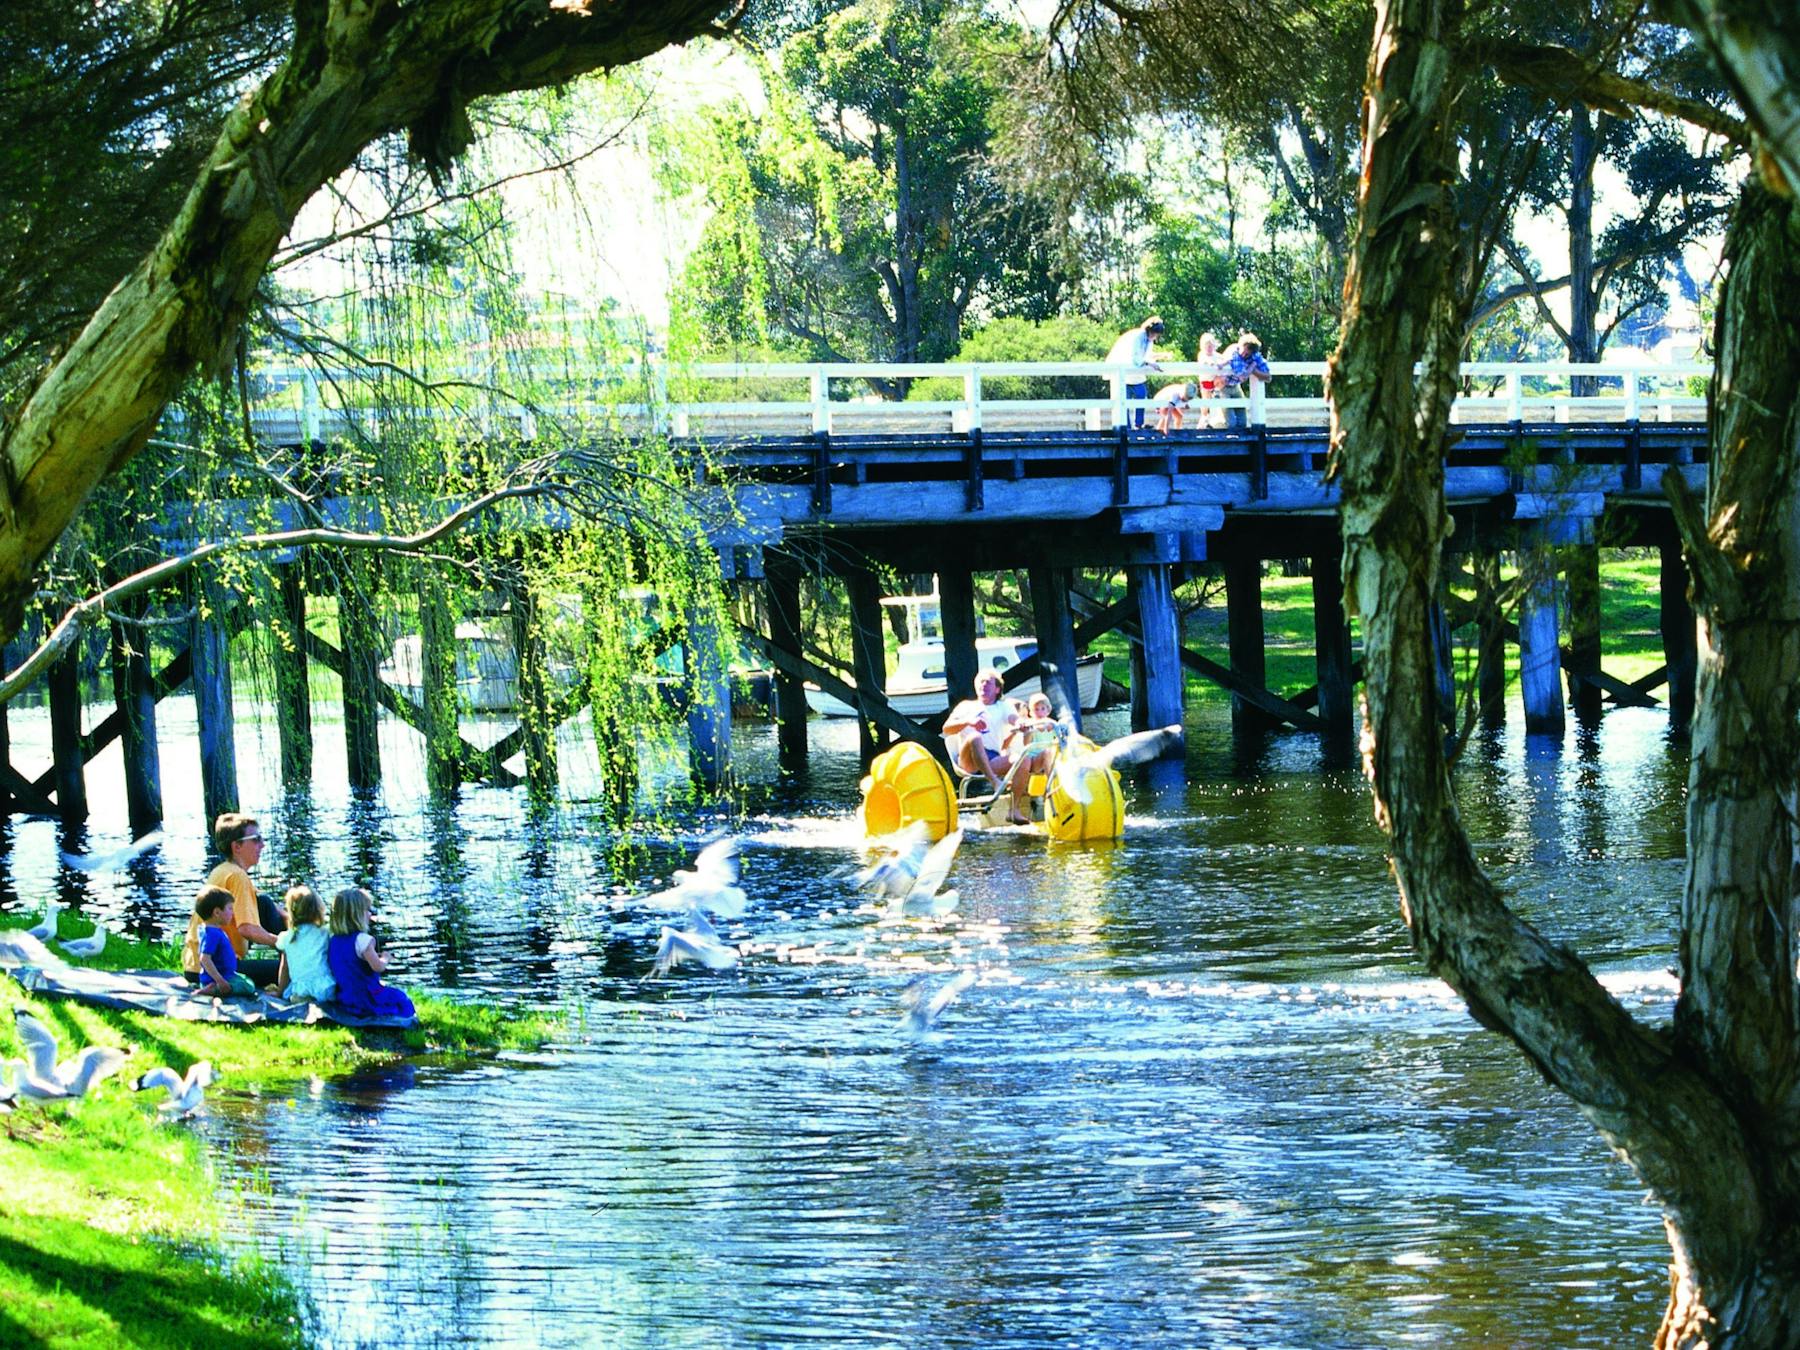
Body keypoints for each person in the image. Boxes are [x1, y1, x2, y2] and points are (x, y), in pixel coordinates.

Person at [180, 813, 286, 988]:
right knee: (288, 971)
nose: (262, 844)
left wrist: (295, 920)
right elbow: (247, 929)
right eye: (256, 839)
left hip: (194, 966)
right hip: (214, 969)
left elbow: (265, 905)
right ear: (237, 846)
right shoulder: (237, 876)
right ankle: (294, 964)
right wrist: (285, 942)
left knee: (264, 903)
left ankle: (291, 959)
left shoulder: (224, 870)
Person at [943, 671, 1025, 818]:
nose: (983, 685)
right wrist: (968, 721)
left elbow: (1014, 718)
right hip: (969, 760)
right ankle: (995, 782)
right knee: (975, 737)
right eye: (981, 682)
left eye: (988, 682)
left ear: (997, 689)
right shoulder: (966, 706)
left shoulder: (1003, 706)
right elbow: (946, 729)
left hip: (992, 758)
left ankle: (1014, 810)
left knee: (1023, 760)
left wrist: (1020, 723)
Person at [327, 887, 415, 1020]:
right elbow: (378, 967)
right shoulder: (363, 940)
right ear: (356, 915)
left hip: (345, 998)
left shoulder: (333, 940)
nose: (370, 914)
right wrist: (385, 958)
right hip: (367, 998)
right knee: (401, 998)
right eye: (367, 910)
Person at [1001, 692, 1064, 824]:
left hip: (1048, 759)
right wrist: (1030, 731)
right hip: (1033, 761)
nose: (1039, 712)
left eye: (1042, 709)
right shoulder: (1030, 724)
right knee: (1045, 753)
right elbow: (1026, 744)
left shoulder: (1052, 723)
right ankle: (1051, 789)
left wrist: (1053, 728)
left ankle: (1060, 788)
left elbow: (1060, 736)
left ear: (1048, 710)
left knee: (1054, 753)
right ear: (1031, 712)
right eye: (1036, 709)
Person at [275, 885, 336, 1005]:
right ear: (318, 909)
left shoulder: (287, 937)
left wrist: (279, 991)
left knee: (296, 989)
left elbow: (285, 968)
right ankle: (317, 998)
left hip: (299, 989)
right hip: (325, 987)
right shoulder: (324, 933)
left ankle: (304, 997)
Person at [193, 887, 257, 998]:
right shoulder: (212, 934)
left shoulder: (209, 929)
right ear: (217, 912)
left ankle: (214, 987)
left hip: (225, 974)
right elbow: (205, 958)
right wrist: (220, 980)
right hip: (219, 978)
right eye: (230, 908)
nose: (232, 913)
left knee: (246, 979)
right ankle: (215, 989)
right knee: (249, 986)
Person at [1105, 316, 1167, 429]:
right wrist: (1150, 363)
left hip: (1135, 374)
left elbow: (1146, 355)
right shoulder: (1138, 336)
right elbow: (1136, 359)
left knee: (1141, 394)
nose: (1155, 336)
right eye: (1154, 333)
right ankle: (1127, 427)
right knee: (1125, 400)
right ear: (1149, 330)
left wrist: (1160, 356)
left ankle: (1138, 424)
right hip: (1124, 372)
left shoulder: (1148, 340)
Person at [1221, 330, 1272, 428]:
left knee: (1242, 421)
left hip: (1235, 386)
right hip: (1222, 387)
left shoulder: (1255, 357)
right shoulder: (1233, 352)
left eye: (1247, 354)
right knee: (1231, 422)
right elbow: (1241, 376)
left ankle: (1241, 438)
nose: (1243, 355)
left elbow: (1268, 377)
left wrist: (1253, 369)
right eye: (1243, 352)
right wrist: (1251, 367)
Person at [1194, 332, 1227, 427]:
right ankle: (1203, 420)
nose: (1209, 348)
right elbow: (1205, 361)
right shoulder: (1202, 355)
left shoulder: (1218, 355)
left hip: (1215, 380)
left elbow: (1224, 360)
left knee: (1219, 396)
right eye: (1207, 346)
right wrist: (1211, 363)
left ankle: (1220, 419)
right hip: (1205, 380)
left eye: (1211, 345)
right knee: (1205, 401)